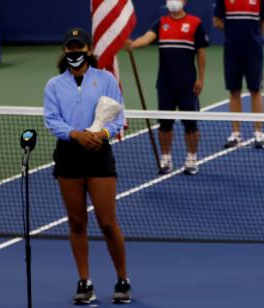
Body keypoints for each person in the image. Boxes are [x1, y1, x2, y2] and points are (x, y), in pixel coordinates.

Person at [43, 28, 131, 304]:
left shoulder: (105, 79)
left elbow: (118, 116)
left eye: (79, 48)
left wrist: (102, 135)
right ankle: (85, 282)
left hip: (99, 153)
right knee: (77, 221)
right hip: (69, 154)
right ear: (64, 52)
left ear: (88, 50)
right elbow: (52, 120)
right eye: (70, 49)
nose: (75, 53)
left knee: (107, 222)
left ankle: (122, 279)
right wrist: (76, 134)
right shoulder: (54, 85)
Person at [125, 0, 209, 175]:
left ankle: (192, 159)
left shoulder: (195, 23)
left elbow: (201, 53)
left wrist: (200, 79)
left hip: (188, 85)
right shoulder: (161, 23)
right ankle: (166, 159)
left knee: (190, 125)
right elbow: (147, 38)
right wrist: (133, 44)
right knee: (164, 124)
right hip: (165, 84)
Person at [213, 0, 264, 149]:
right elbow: (216, 21)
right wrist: (231, 31)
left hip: (254, 52)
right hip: (232, 52)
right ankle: (236, 134)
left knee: (255, 90)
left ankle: (258, 133)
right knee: (234, 91)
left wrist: (255, 37)